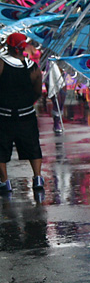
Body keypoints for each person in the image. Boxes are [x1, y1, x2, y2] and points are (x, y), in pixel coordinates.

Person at [0, 32, 45, 193]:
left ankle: (4, 182)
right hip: (27, 115)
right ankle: (37, 177)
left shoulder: (1, 63)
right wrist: (27, 102)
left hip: (4, 115)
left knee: (1, 149)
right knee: (33, 146)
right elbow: (38, 91)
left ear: (10, 47)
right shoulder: (32, 67)